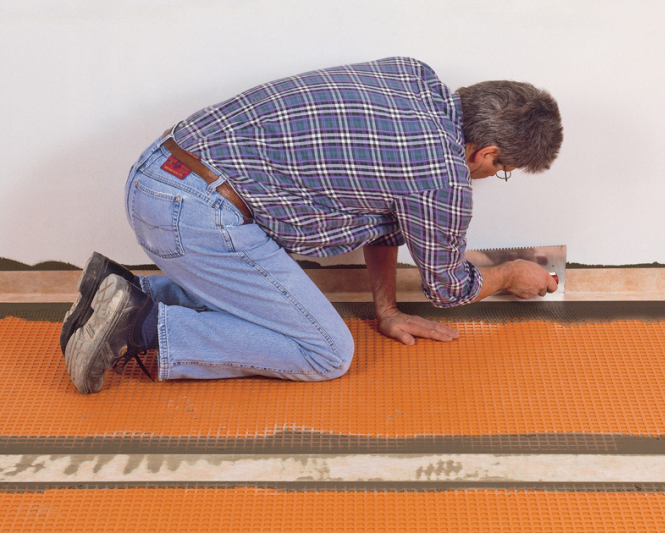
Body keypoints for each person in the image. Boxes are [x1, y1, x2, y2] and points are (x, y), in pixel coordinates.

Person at [61, 57, 563, 394]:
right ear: (487, 152)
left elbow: (386, 220)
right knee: (326, 353)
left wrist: (386, 310)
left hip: (157, 173)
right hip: (193, 213)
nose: (493, 176)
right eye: (502, 170)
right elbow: (449, 289)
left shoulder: (412, 75)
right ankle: (139, 325)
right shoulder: (441, 176)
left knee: (291, 306)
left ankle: (122, 291)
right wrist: (509, 274)